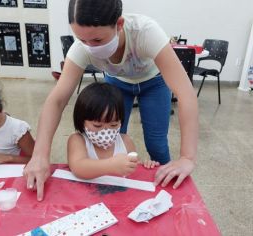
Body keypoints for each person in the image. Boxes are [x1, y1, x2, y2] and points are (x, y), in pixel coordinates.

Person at [24, 0, 198, 201]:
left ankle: (166, 191)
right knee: (112, 141)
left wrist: (187, 158)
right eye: (81, 39)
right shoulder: (82, 49)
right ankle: (112, 195)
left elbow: (186, 94)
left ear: (120, 24)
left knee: (157, 143)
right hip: (117, 82)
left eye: (97, 40)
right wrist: (40, 155)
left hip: (154, 82)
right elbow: (57, 100)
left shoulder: (146, 32)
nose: (90, 47)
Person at [68, 82, 159, 179]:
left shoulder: (125, 141)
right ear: (81, 120)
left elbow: (133, 167)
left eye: (113, 125)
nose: (106, 131)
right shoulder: (78, 140)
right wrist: (111, 166)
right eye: (97, 125)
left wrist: (145, 165)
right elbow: (78, 167)